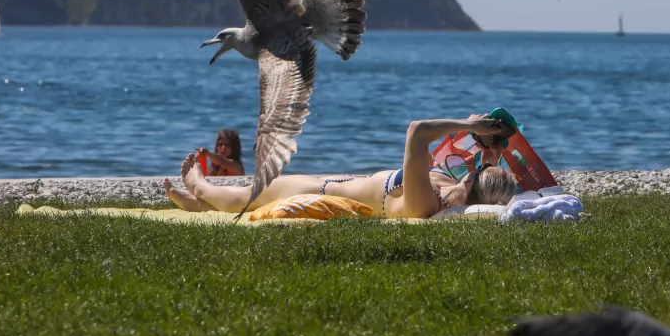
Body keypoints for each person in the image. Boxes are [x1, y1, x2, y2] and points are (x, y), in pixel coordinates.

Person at [163, 114, 520, 218]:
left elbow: (417, 132)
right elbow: (481, 169)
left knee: (241, 195)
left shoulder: (424, 202)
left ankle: (200, 187)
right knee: (242, 198)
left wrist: (468, 125)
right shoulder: (448, 184)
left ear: (473, 185)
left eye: (477, 172)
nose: (473, 168)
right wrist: (488, 142)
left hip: (313, 191)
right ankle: (200, 205)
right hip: (329, 181)